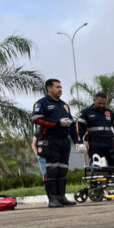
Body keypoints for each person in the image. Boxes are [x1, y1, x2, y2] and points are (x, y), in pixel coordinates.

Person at [32, 78, 80, 208]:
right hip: (50, 140)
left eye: (61, 87)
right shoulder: (42, 103)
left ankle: (61, 197)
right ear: (49, 88)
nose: (60, 89)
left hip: (64, 141)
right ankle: (52, 199)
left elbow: (71, 124)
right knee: (52, 170)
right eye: (57, 87)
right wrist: (57, 123)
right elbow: (37, 119)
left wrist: (76, 141)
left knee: (62, 170)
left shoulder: (64, 105)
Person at [76, 92, 114, 166]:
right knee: (97, 166)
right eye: (99, 103)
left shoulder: (109, 112)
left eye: (104, 104)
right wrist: (80, 142)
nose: (102, 105)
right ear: (94, 100)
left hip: (110, 143)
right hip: (94, 144)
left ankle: (111, 177)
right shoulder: (86, 112)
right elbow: (79, 129)